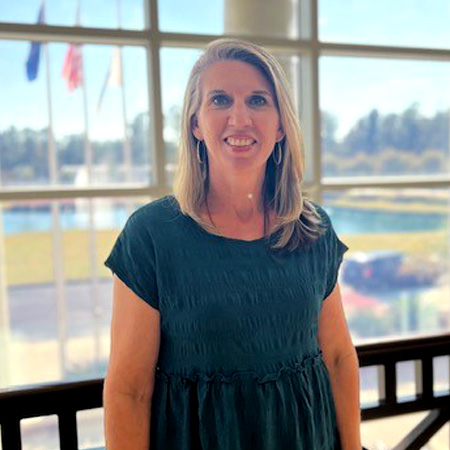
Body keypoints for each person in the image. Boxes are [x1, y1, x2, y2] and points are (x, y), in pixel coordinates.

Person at [103, 38, 363, 450]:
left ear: (280, 126)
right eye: (220, 100)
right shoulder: (150, 235)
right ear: (195, 123)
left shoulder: (313, 229)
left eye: (258, 101)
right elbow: (128, 392)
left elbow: (337, 357)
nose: (239, 118)